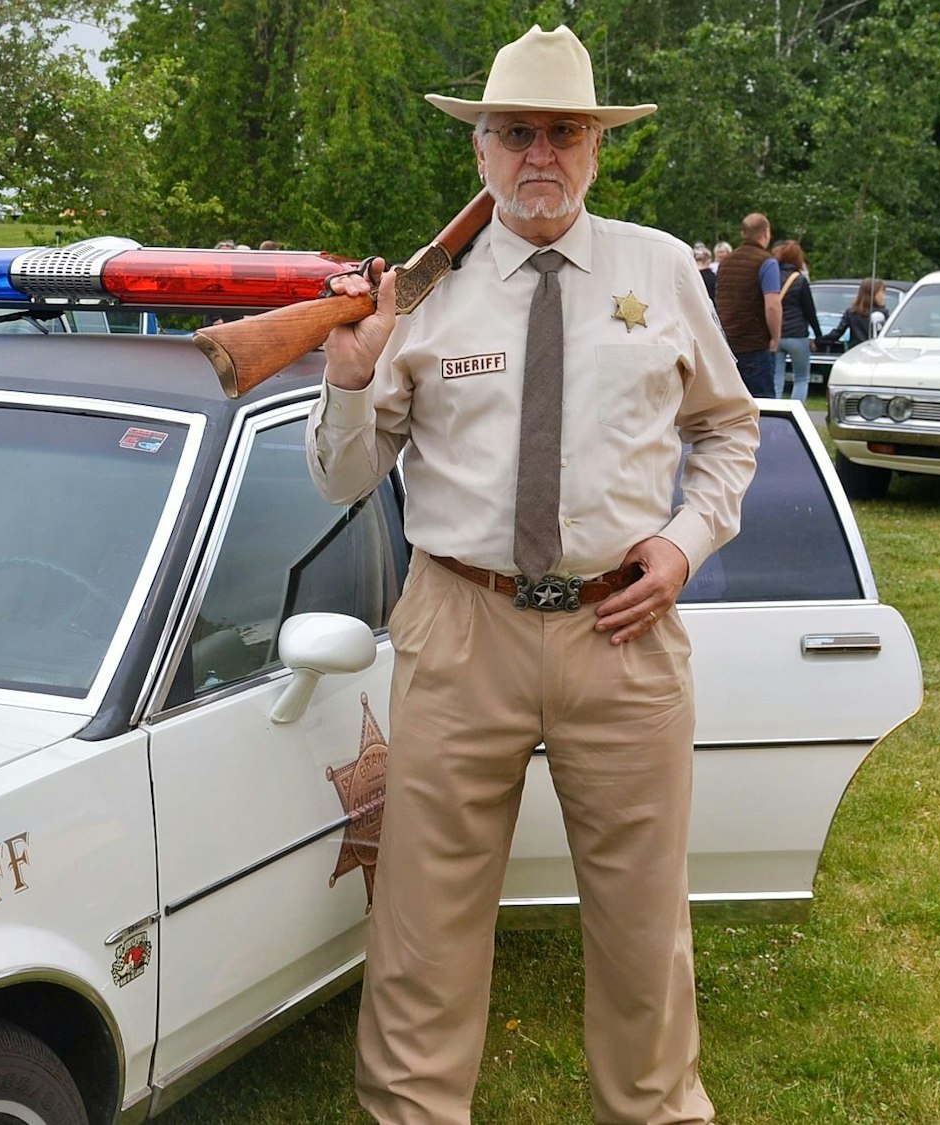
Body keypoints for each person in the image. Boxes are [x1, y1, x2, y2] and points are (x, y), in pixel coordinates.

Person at [308, 25, 757, 1125]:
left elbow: (727, 429)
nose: (539, 154)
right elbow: (343, 479)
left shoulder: (659, 267)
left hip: (622, 626)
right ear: (481, 151)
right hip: (462, 625)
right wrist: (350, 381)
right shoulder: (422, 289)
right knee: (422, 925)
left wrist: (683, 541)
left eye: (562, 131)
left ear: (597, 147)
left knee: (644, 928)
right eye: (515, 133)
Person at [715, 212, 780, 396]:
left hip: (727, 345)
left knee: (731, 405)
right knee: (763, 405)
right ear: (766, 233)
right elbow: (772, 305)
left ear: (743, 233)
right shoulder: (767, 262)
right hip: (755, 346)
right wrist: (775, 338)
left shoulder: (725, 263)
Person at [772, 239, 823, 401]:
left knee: (776, 379)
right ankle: (797, 410)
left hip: (777, 334)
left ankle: (775, 410)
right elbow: (810, 311)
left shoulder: (772, 277)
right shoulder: (800, 280)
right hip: (798, 335)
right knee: (801, 379)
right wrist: (818, 335)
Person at [824, 277, 889, 348]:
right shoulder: (881, 314)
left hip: (856, 350)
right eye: (882, 292)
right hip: (876, 350)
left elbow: (837, 333)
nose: (883, 296)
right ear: (873, 294)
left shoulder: (851, 312)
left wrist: (819, 341)